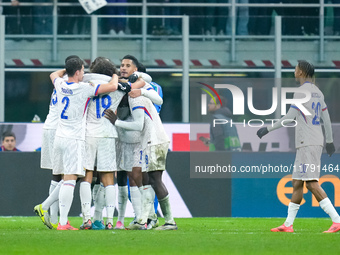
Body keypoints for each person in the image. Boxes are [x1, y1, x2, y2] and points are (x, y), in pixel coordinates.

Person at [34, 57, 119, 230]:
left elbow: (53, 74)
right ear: (79, 71)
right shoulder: (83, 89)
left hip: (59, 137)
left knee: (69, 177)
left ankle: (48, 209)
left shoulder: (61, 85)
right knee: (70, 180)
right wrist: (115, 75)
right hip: (74, 139)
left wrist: (66, 71)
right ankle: (60, 220)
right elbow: (112, 87)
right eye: (82, 70)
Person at [257, 60, 340, 233]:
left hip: (307, 142)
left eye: (295, 69)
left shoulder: (301, 92)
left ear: (301, 72)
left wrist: (267, 129)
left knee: (311, 184)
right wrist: (330, 141)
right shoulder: (317, 92)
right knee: (297, 183)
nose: (294, 71)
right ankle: (288, 224)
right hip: (313, 141)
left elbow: (289, 117)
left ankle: (337, 220)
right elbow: (326, 118)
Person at [105, 81, 177, 231]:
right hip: (150, 141)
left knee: (155, 180)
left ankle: (170, 221)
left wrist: (116, 122)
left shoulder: (135, 100)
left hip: (155, 141)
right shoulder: (135, 98)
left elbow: (138, 125)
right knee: (148, 180)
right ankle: (145, 218)